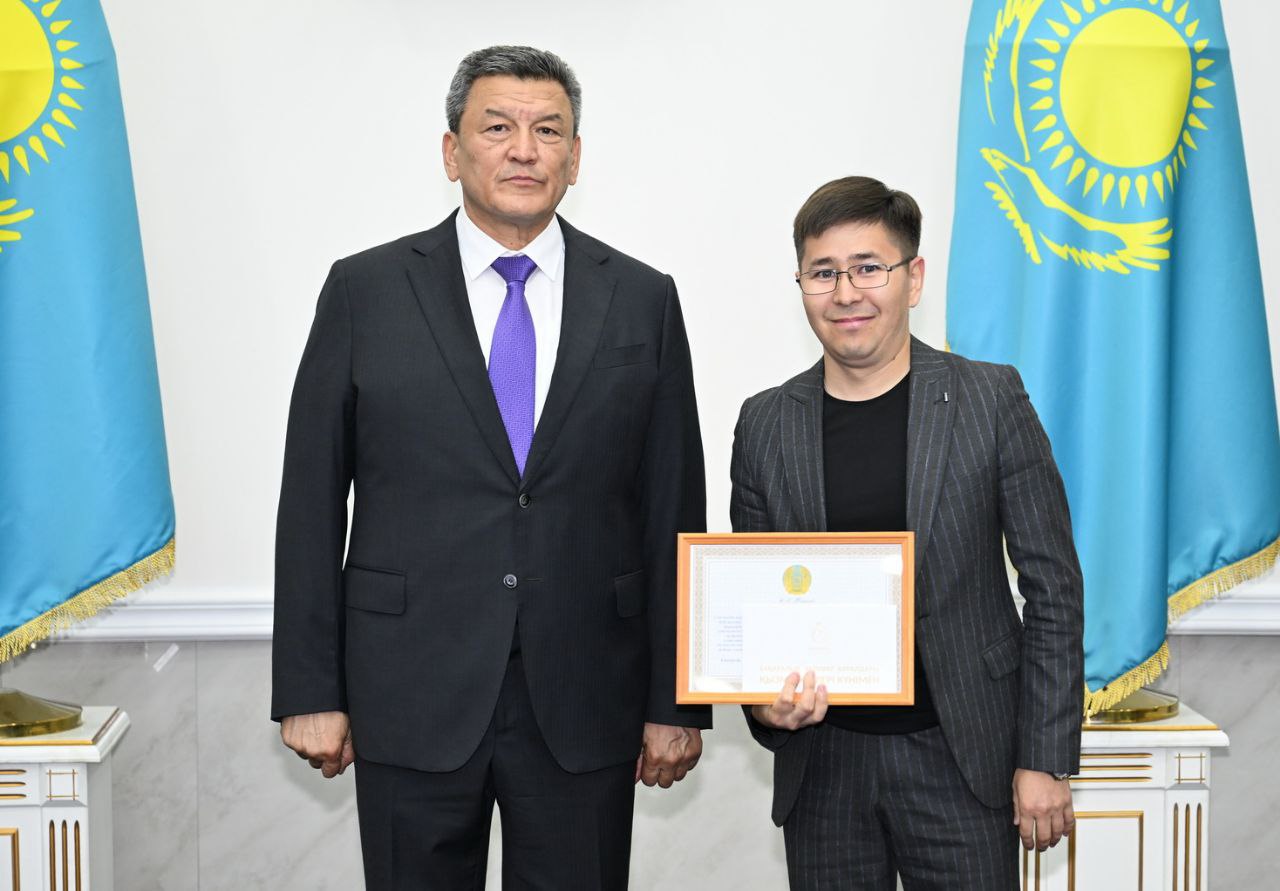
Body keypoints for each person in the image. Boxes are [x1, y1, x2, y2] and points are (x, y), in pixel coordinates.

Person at [271, 45, 709, 889]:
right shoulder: (365, 291)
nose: (524, 150)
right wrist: (308, 686)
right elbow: (311, 498)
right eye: (498, 127)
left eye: (548, 131)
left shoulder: (642, 298)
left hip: (587, 694)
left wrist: (675, 699)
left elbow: (671, 509)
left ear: (575, 158)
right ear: (452, 151)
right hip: (409, 689)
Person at [731, 176, 1084, 889]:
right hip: (825, 765)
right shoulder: (765, 421)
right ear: (801, 285)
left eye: (868, 267)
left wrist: (1043, 757)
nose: (845, 293)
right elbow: (757, 600)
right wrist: (765, 702)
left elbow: (1054, 587)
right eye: (822, 273)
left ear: (913, 278)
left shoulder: (989, 398)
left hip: (964, 757)